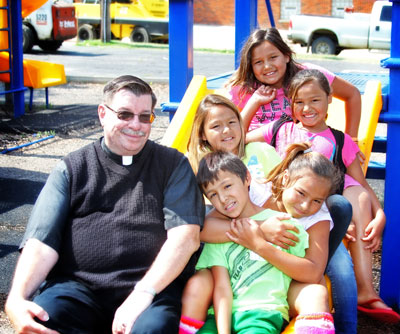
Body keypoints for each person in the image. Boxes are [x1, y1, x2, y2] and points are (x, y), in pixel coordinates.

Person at [5, 75, 205, 334]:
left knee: (153, 329)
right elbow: (41, 241)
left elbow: (186, 238)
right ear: (103, 113)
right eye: (125, 114)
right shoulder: (73, 168)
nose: (136, 125)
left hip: (150, 290)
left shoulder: (173, 165)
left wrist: (142, 293)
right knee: (43, 320)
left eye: (145, 117)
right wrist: (17, 298)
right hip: (78, 288)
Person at [246, 68, 400, 326]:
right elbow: (238, 138)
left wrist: (380, 214)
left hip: (319, 221)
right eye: (299, 102)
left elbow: (361, 186)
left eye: (315, 100)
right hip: (284, 213)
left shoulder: (340, 141)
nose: (307, 108)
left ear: (329, 100)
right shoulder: (281, 129)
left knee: (341, 269)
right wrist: (253, 103)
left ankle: (356, 310)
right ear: (291, 105)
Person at [191, 147, 340, 334]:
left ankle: (347, 324)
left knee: (326, 284)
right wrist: (258, 228)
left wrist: (258, 244)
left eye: (317, 201)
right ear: (285, 179)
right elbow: (202, 228)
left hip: (269, 300)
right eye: (301, 193)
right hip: (230, 305)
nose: (305, 205)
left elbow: (312, 273)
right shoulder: (254, 193)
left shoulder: (309, 221)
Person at [228, 27, 361, 139]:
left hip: (299, 150)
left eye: (273, 57)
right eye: (258, 62)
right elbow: (233, 132)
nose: (267, 66)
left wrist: (351, 141)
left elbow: (352, 94)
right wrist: (254, 101)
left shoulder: (309, 76)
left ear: (286, 56)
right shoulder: (244, 87)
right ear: (250, 66)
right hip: (258, 154)